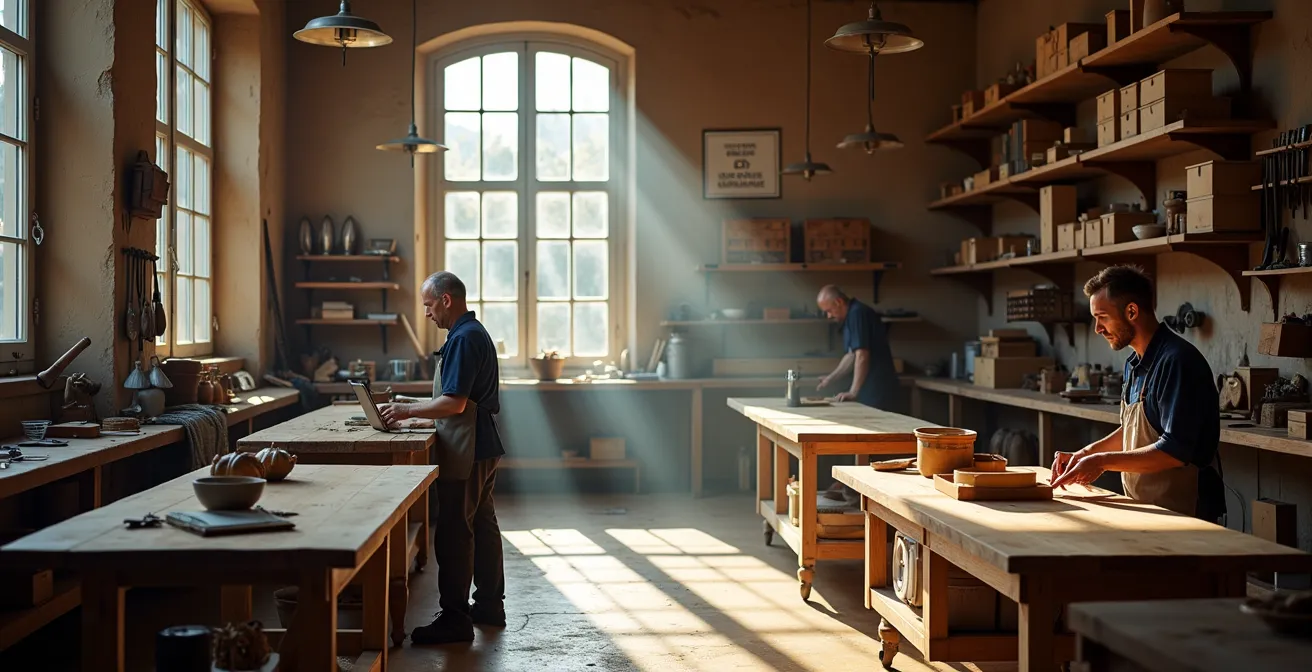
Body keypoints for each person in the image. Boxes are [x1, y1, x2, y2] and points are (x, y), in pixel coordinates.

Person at [379, 271, 506, 644]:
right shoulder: (470, 333)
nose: (427, 314)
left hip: (468, 449)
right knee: (482, 526)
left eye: (429, 305)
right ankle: (488, 605)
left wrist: (407, 412)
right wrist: (410, 406)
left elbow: (454, 403)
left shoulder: (464, 339)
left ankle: (454, 618)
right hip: (482, 446)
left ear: (447, 299)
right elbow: (454, 398)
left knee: (454, 531)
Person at [1051, 265, 1225, 522]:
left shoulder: (1177, 361)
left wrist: (1100, 462)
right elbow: (1134, 432)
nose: (1097, 328)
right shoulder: (1135, 363)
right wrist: (1085, 454)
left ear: (1131, 311)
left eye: (1102, 317)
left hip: (1186, 511)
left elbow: (1173, 451)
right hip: (1148, 508)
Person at [815, 285, 900, 409]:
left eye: (829, 310)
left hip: (878, 388)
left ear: (839, 302)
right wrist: (830, 379)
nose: (829, 316)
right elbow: (851, 356)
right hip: (868, 387)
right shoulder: (850, 316)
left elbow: (862, 356)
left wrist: (853, 392)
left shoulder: (857, 314)